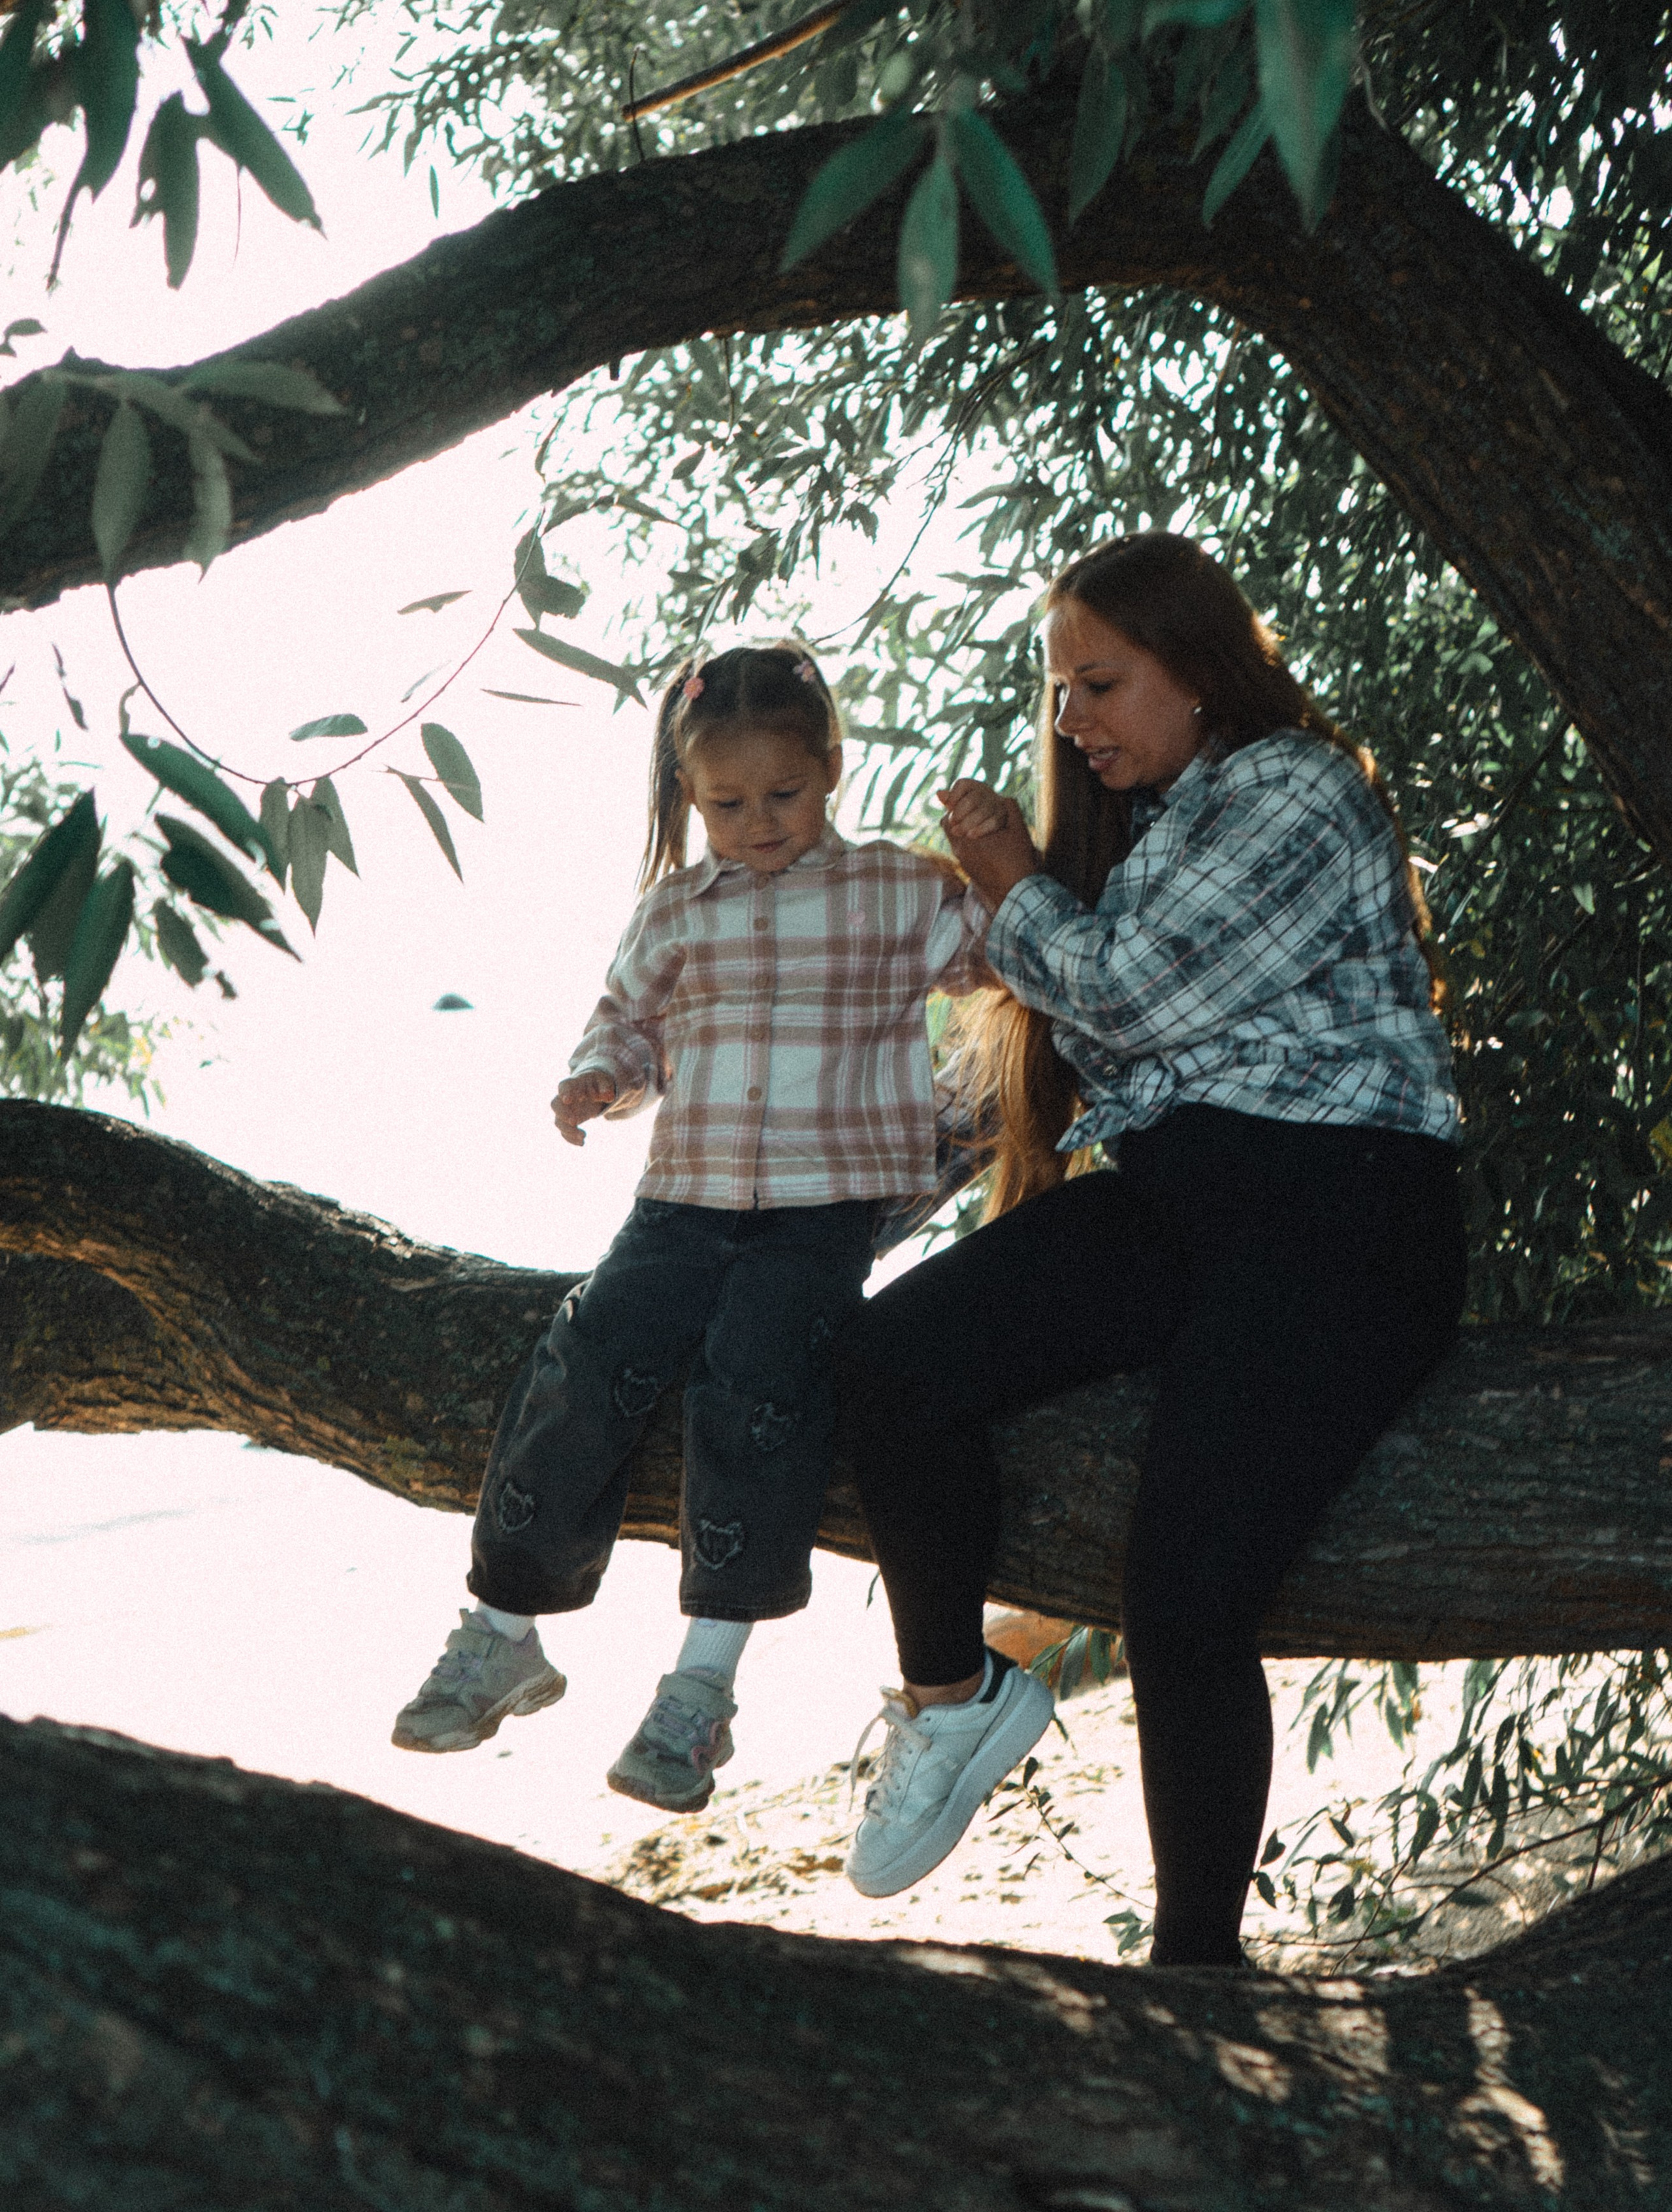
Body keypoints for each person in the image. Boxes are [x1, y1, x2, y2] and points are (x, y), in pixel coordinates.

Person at [834, 532, 1464, 1963]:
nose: (1071, 722)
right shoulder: (1145, 832)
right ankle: (954, 1697)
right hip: (1182, 1199)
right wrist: (769, 1236)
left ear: (1196, 668)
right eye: (1059, 692)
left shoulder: (1297, 786)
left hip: (1340, 1214)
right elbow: (1016, 1074)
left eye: (1099, 685)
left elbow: (1131, 991)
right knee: (886, 1357)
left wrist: (1006, 878)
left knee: (1181, 1592)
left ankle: (1194, 1971)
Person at [391, 641, 1001, 1814]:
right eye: (726, 803)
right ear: (690, 796)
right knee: (590, 1347)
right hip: (681, 1201)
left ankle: (699, 1691)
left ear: (832, 767)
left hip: (823, 1211)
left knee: (756, 1384)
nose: (759, 821)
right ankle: (503, 1625)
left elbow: (1013, 961)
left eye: (785, 793)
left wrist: (998, 861)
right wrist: (594, 1083)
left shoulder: (896, 890)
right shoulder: (673, 910)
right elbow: (623, 1027)